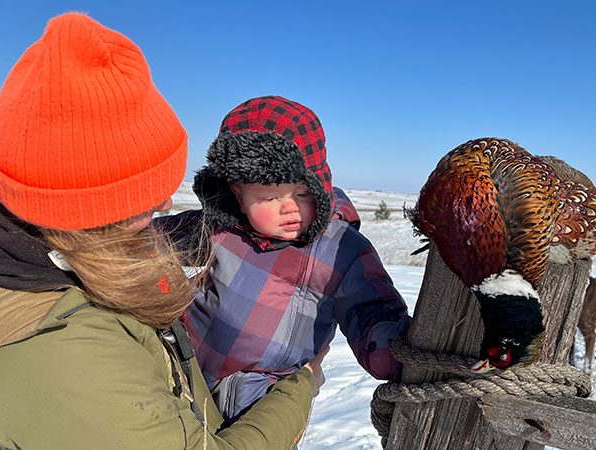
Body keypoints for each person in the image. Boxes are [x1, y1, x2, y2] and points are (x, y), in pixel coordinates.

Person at [0, 14, 325, 450]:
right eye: (146, 197)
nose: (165, 206)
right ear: (87, 208)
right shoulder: (64, 352)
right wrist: (301, 386)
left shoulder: (16, 243)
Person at [156, 96, 411, 422]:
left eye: (303, 193)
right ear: (238, 193)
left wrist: (408, 355)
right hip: (177, 382)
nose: (290, 207)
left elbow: (375, 316)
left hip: (256, 412)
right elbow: (151, 237)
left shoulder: (341, 250)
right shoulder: (218, 227)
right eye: (269, 196)